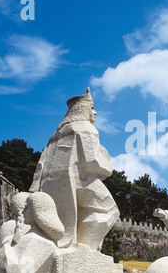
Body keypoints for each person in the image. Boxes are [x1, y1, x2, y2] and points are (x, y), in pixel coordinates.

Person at [29, 88, 119, 250]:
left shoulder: (57, 134)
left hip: (52, 185)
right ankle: (85, 248)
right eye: (92, 107)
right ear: (83, 109)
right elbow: (92, 163)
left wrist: (35, 188)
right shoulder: (86, 128)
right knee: (110, 210)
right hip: (81, 181)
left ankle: (76, 246)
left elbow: (41, 164)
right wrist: (107, 163)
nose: (95, 112)